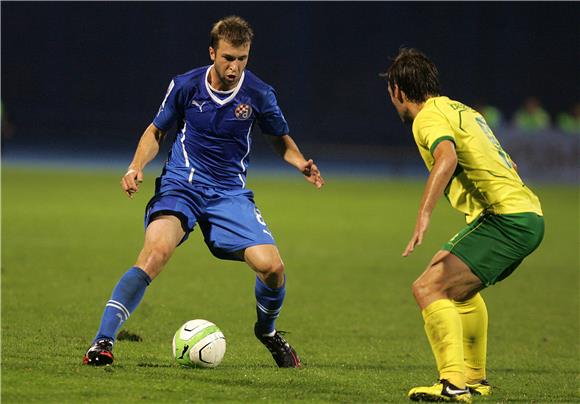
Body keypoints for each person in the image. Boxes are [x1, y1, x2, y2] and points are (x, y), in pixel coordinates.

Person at [83, 15, 324, 368]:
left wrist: (300, 162)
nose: (235, 66)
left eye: (242, 58)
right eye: (228, 57)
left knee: (272, 267)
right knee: (155, 252)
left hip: (229, 193)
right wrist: (136, 166)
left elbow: (278, 138)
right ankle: (103, 341)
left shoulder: (259, 93)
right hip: (183, 183)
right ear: (213, 52)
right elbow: (156, 132)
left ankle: (268, 332)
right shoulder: (186, 86)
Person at [380, 48, 544, 402]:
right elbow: (508, 162)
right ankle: (474, 378)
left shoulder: (426, 118)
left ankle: (452, 384)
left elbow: (447, 156)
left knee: (428, 288)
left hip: (508, 220)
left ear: (398, 91)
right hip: (523, 215)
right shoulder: (461, 110)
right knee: (462, 292)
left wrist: (424, 213)